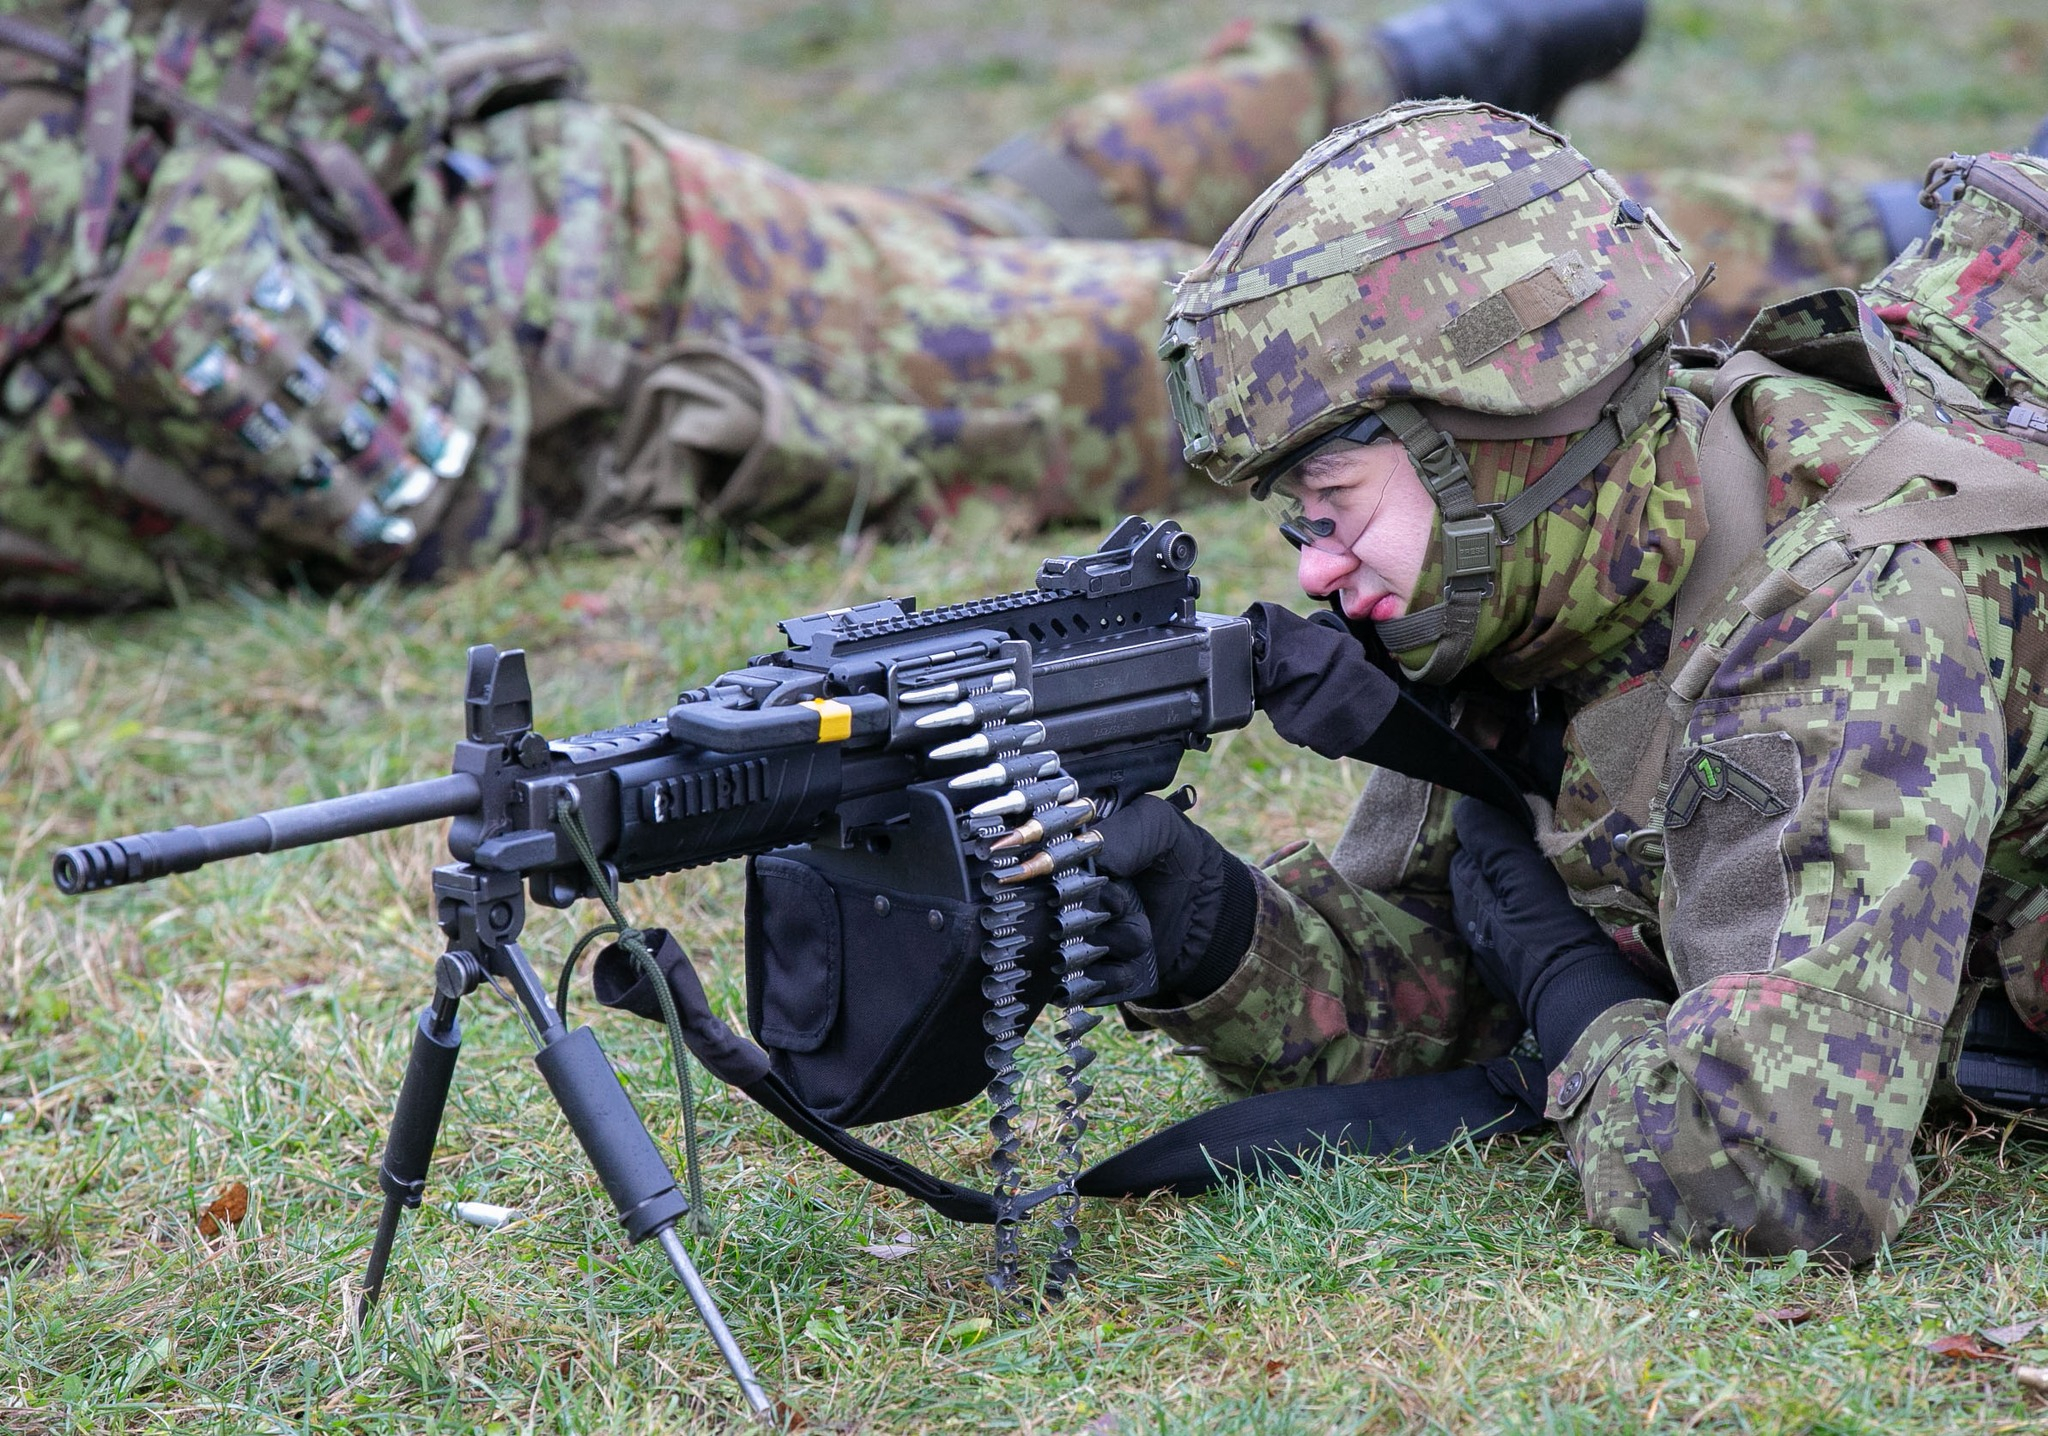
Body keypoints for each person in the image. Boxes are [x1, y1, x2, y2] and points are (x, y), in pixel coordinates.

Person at [0, 0, 1930, 613]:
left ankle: (1864, 234)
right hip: (568, 237)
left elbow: (400, 451)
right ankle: (1390, 44)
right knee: (963, 231)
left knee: (1265, 342)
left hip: (616, 315)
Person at [1090, 97, 2048, 1263]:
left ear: (1491, 441)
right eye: (1298, 520)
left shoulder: (1840, 613)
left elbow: (1771, 1178)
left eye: (1334, 507)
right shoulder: (1563, 570)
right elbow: (1442, 980)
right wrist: (1198, 926)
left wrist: (1577, 995)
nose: (1313, 564)